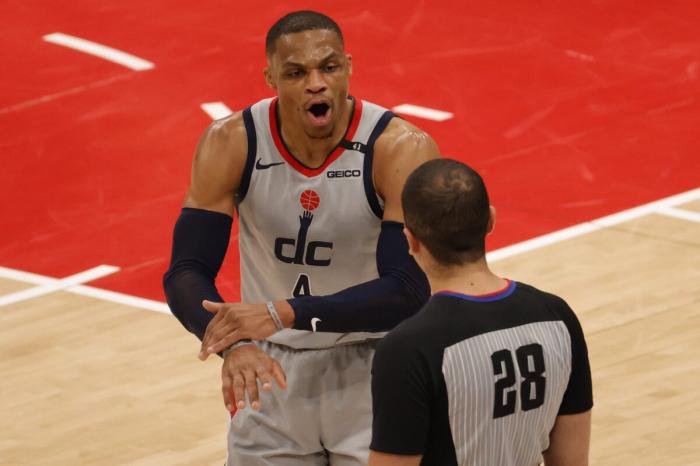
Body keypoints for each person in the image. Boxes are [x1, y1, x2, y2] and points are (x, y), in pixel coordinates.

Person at [162, 10, 441, 466]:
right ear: (270, 77)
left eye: (328, 67)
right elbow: (186, 270)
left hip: (376, 361)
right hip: (269, 367)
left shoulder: (398, 148)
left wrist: (284, 312)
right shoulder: (232, 141)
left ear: (348, 67)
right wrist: (233, 344)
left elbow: (408, 288)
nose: (316, 84)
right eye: (296, 73)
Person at [368, 159, 593, 466]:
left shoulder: (407, 350)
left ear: (410, 240)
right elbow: (572, 461)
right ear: (490, 220)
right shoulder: (559, 317)